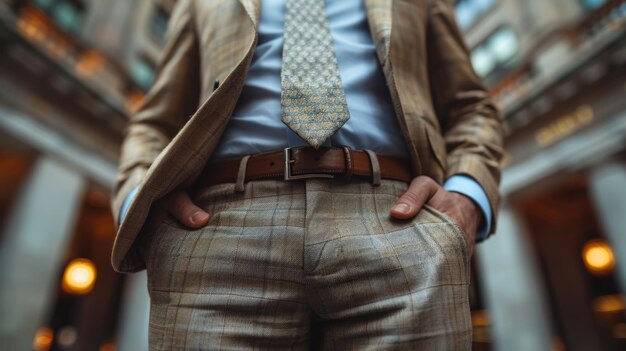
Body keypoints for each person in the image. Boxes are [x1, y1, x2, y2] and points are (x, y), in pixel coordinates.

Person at [111, 0, 504, 349]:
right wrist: (140, 204)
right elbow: (154, 121)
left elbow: (471, 107)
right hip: (217, 226)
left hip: (399, 218)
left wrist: (466, 198)